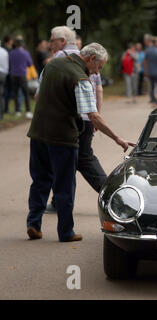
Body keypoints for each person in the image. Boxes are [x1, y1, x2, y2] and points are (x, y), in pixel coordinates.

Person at [26, 43, 135, 242]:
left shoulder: (52, 65)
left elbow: (38, 95)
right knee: (65, 185)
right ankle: (66, 232)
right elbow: (93, 116)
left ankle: (33, 223)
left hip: (38, 133)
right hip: (63, 138)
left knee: (40, 180)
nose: (97, 72)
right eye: (99, 67)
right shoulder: (81, 79)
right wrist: (117, 138)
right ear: (91, 59)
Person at [43, 32, 108, 212]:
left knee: (74, 159)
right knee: (78, 159)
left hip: (72, 120)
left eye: (52, 40)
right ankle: (60, 201)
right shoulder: (83, 62)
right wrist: (96, 114)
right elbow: (99, 90)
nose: (50, 44)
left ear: (62, 41)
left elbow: (41, 93)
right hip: (87, 117)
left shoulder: (59, 59)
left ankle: (112, 194)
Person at [9, 36, 33, 119]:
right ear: (22, 44)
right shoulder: (25, 53)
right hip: (22, 74)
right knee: (26, 93)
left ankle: (17, 111)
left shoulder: (11, 53)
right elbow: (30, 64)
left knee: (15, 93)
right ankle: (28, 111)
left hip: (13, 74)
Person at [0, 40, 8, 120]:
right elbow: (7, 65)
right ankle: (1, 115)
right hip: (3, 74)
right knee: (1, 94)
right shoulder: (5, 52)